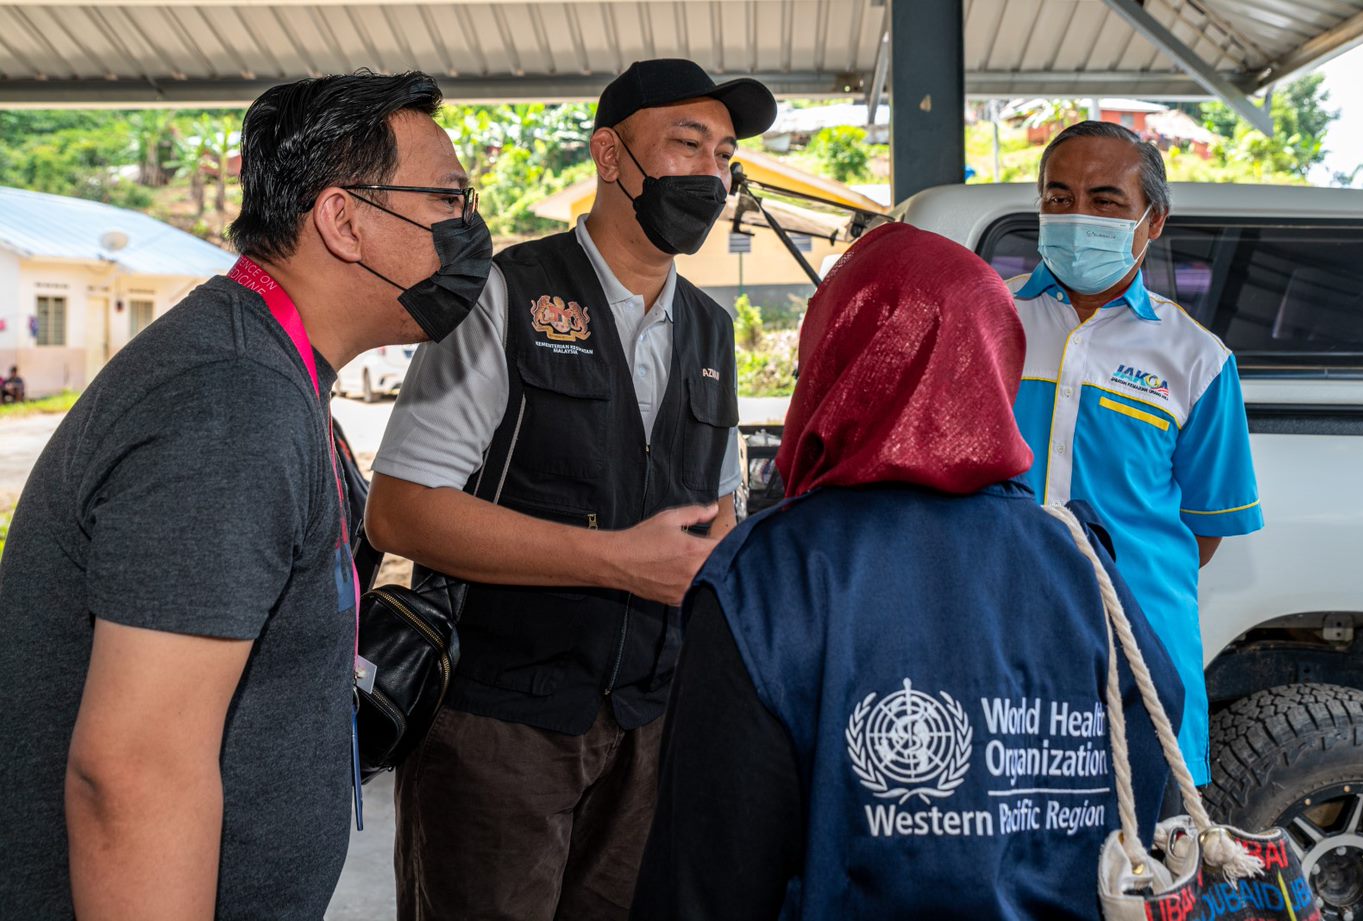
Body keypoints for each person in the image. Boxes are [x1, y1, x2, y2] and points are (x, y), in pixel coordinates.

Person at [0, 71, 491, 920]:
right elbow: (135, 770)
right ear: (343, 221)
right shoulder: (231, 401)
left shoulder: (270, 368)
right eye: (448, 199)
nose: (469, 227)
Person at [630, 223, 1185, 921]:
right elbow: (1153, 779)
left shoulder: (770, 580)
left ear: (835, 361)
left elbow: (704, 883)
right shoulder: (1080, 563)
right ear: (996, 364)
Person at [365, 58, 776, 920]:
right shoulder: (505, 294)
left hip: (649, 729)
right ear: (609, 154)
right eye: (687, 144)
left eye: (724, 155)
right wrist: (614, 560)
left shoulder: (712, 328)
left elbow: (718, 511)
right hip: (499, 727)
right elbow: (400, 509)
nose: (710, 174)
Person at [1008, 120, 1262, 786]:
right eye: (1058, 198)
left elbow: (1202, 530)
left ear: (1154, 221)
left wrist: (1118, 582)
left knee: (1144, 834)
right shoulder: (989, 323)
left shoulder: (1198, 359)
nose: (1077, 216)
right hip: (1001, 634)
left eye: (1105, 201)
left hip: (1139, 651)